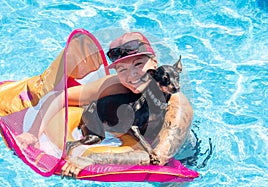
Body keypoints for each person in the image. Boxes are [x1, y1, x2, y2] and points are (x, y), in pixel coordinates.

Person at [17, 32, 194, 178]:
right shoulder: (117, 85)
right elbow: (61, 97)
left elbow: (157, 158)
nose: (132, 76)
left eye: (138, 64)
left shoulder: (176, 106)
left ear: (154, 64)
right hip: (133, 141)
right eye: (122, 69)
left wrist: (90, 160)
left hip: (180, 159)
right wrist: (33, 133)